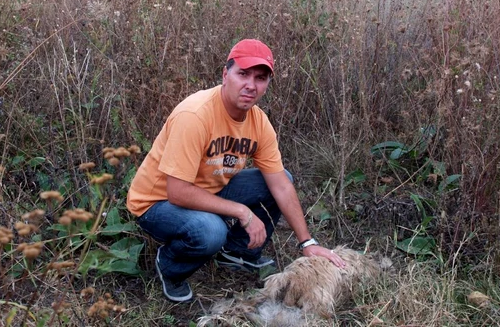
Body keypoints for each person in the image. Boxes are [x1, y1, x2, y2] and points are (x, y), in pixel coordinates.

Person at [126, 39, 346, 303]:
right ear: (225, 74)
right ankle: (170, 266)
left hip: (209, 189)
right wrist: (243, 212)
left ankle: (238, 253)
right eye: (243, 74)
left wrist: (307, 243)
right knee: (211, 231)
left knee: (281, 179)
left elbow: (281, 186)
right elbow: (178, 192)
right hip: (157, 203)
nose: (251, 85)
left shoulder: (258, 122)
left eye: (260, 78)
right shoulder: (195, 115)